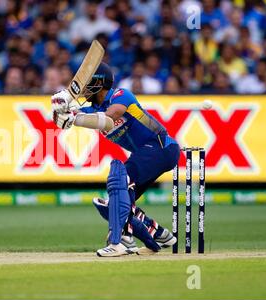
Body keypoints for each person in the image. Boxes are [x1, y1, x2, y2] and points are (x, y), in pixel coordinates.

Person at [51, 62, 178, 257]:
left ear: (98, 83)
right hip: (146, 153)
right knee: (115, 204)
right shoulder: (93, 110)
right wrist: (61, 111)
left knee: (119, 178)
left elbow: (109, 118)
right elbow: (73, 117)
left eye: (87, 84)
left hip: (162, 146)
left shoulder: (121, 95)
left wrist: (74, 118)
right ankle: (160, 234)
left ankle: (119, 242)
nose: (83, 89)